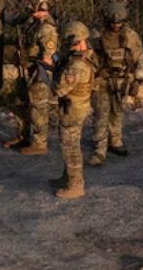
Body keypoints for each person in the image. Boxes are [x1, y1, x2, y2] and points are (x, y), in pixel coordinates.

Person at [88, 1, 143, 167]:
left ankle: (116, 141)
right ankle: (99, 149)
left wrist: (137, 80)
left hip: (122, 80)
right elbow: (88, 57)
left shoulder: (130, 36)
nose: (116, 26)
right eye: (113, 23)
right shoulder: (96, 35)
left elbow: (139, 58)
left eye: (119, 23)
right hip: (102, 79)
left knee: (117, 112)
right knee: (101, 114)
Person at [5, 0, 59, 155]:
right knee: (22, 103)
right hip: (27, 69)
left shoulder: (46, 28)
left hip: (39, 72)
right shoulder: (33, 23)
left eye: (31, 4)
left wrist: (36, 68)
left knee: (38, 108)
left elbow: (48, 57)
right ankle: (24, 135)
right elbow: (15, 20)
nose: (28, 7)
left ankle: (39, 143)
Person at [52, 20, 96, 200]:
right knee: (70, 144)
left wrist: (50, 76)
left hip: (74, 109)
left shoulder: (76, 65)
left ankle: (75, 185)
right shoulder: (84, 58)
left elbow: (60, 89)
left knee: (70, 147)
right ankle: (67, 178)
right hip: (78, 106)